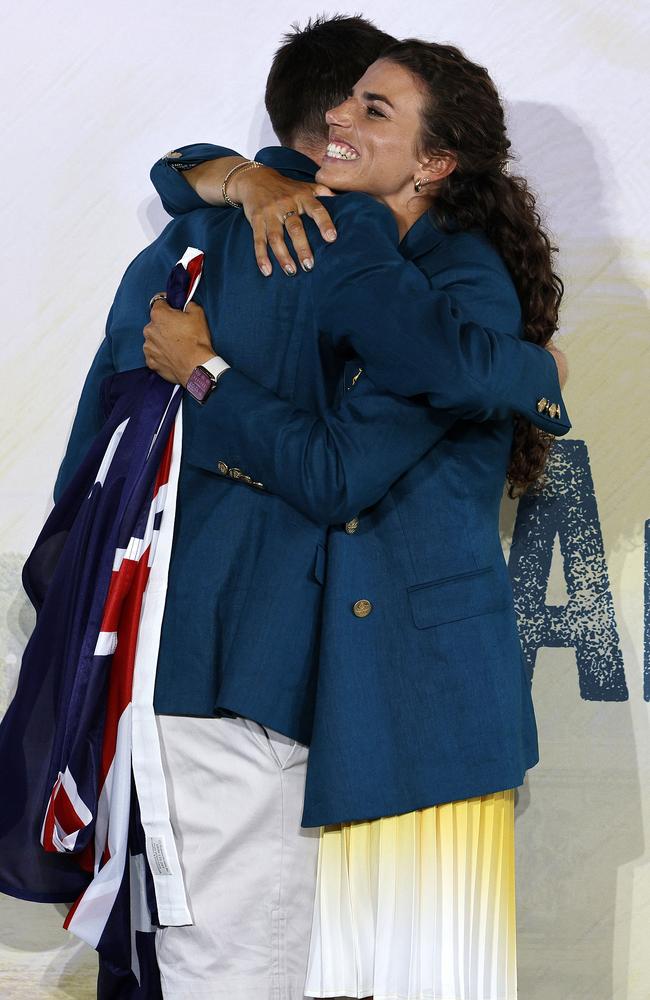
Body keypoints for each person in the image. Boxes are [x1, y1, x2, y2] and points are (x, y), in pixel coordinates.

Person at [49, 16, 569, 1000]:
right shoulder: (261, 231)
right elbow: (178, 179)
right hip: (271, 677)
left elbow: (340, 463)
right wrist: (239, 179)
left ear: (434, 159)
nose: (340, 122)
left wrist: (202, 371)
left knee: (400, 974)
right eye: (341, 103)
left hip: (410, 706)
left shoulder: (435, 277)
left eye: (373, 108)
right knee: (251, 960)